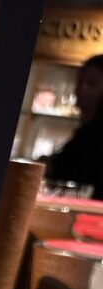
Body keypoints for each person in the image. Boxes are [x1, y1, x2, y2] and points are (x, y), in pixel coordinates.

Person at [46, 54, 103, 199]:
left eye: (92, 84)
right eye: (79, 82)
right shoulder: (86, 131)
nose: (81, 89)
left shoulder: (95, 135)